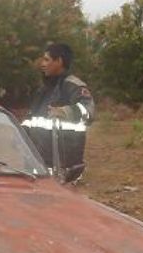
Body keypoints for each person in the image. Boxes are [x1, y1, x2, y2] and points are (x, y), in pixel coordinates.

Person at [23, 43, 94, 183]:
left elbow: (89, 111)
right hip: (38, 170)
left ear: (59, 61)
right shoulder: (42, 91)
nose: (42, 64)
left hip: (65, 172)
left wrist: (66, 112)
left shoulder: (74, 86)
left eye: (47, 59)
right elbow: (31, 120)